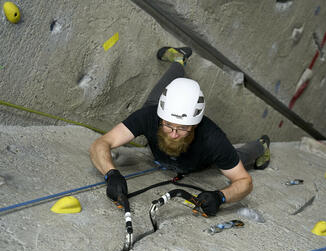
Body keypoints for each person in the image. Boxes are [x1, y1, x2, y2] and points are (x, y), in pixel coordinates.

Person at [89, 47, 270, 216]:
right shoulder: (150, 116)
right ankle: (179, 60)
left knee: (238, 156)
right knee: (155, 97)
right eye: (168, 125)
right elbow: (101, 144)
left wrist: (221, 197)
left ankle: (262, 146)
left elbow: (244, 181)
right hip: (156, 113)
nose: (174, 133)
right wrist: (111, 173)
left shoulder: (212, 139)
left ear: (195, 125)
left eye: (183, 128)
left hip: (199, 163)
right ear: (161, 118)